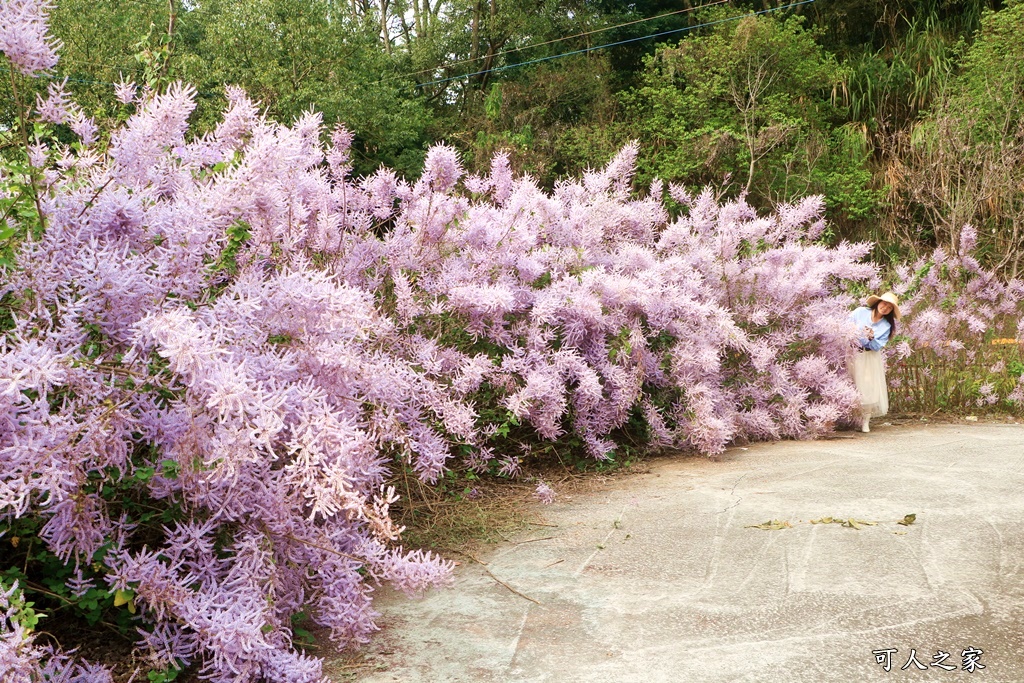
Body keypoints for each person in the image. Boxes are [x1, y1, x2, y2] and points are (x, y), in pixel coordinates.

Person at [849, 292, 900, 433]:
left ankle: (866, 421)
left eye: (889, 307)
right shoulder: (860, 312)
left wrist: (871, 338)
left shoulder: (886, 326)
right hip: (851, 353)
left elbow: (877, 346)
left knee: (868, 388)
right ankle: (848, 419)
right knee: (850, 383)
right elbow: (846, 327)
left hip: (868, 357)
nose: (885, 308)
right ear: (878, 302)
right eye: (884, 303)